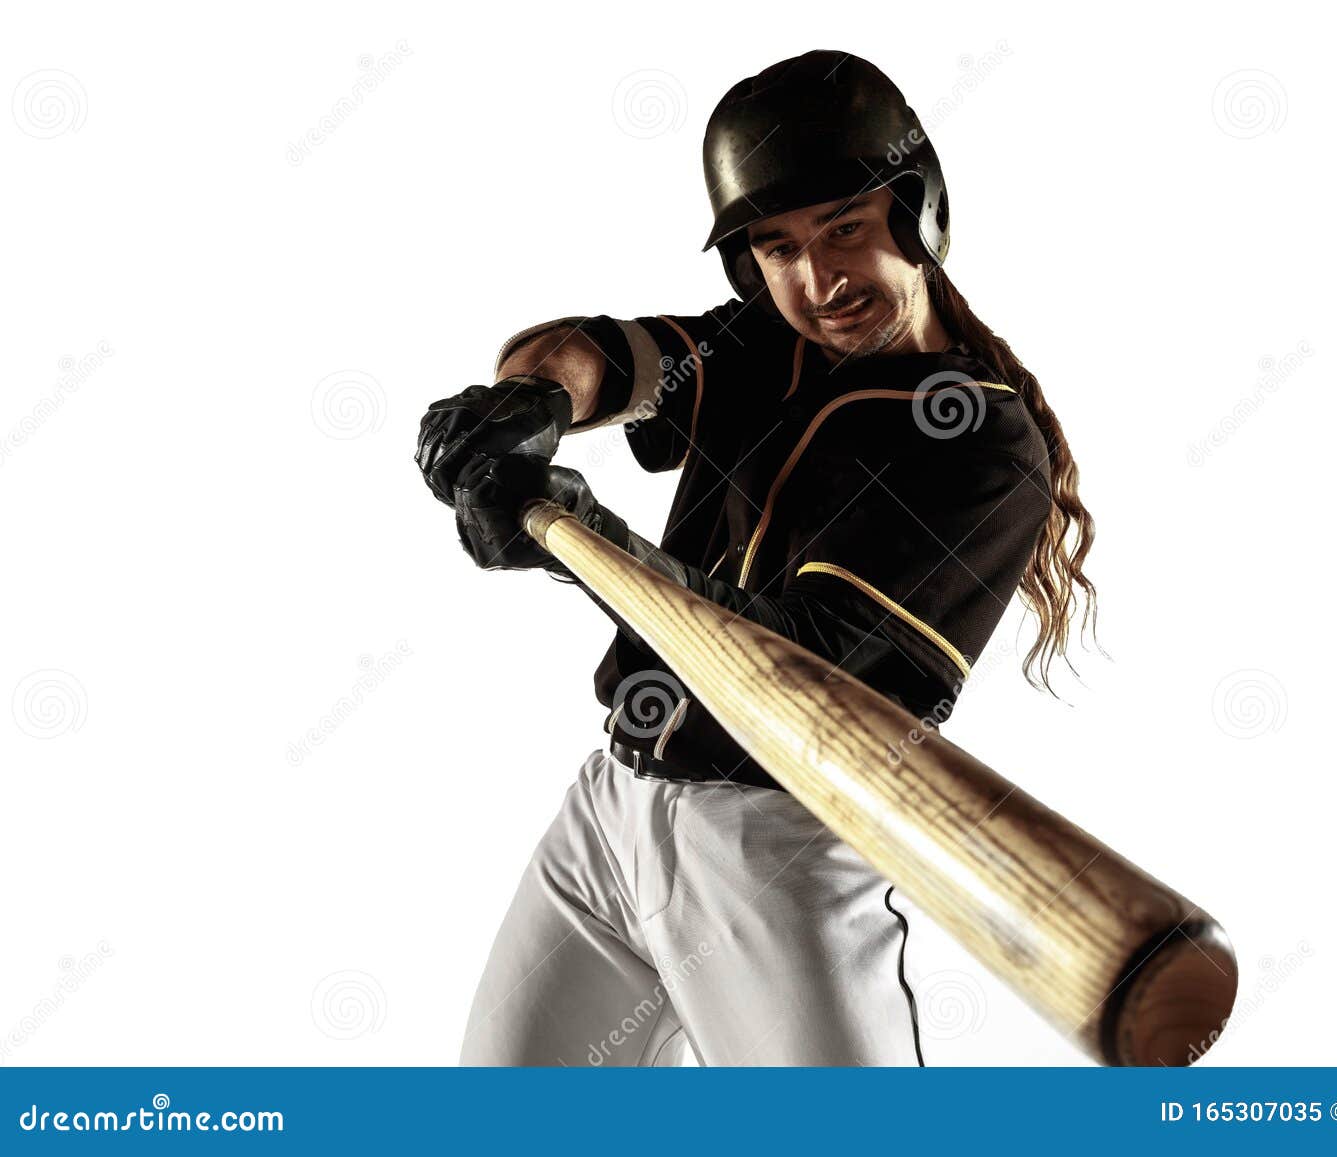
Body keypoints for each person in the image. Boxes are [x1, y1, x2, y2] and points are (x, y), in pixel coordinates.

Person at [415, 49, 1099, 1066]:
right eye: (776, 247)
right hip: (613, 810)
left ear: (916, 213)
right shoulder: (763, 347)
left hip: (779, 844)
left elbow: (803, 671)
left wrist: (575, 537)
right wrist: (535, 400)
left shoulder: (981, 448)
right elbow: (602, 351)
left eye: (844, 230)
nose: (817, 279)